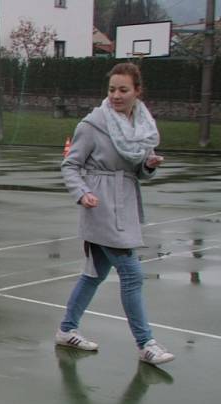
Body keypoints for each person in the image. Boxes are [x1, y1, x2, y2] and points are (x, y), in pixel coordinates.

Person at [56, 62, 174, 365]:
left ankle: (67, 329)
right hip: (101, 209)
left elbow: (137, 171)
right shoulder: (92, 125)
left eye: (123, 89)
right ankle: (146, 343)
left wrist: (148, 166)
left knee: (94, 274)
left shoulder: (142, 128)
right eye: (112, 90)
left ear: (137, 91)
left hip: (126, 205)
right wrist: (82, 194)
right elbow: (70, 166)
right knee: (132, 275)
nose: (116, 95)